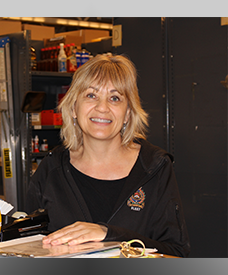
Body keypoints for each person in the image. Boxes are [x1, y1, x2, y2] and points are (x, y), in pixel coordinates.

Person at [25, 54, 190, 257]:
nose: (102, 107)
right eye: (91, 95)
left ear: (128, 113)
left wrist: (110, 235)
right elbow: (27, 246)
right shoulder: (51, 170)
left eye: (115, 98)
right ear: (74, 107)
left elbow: (176, 253)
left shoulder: (155, 168)